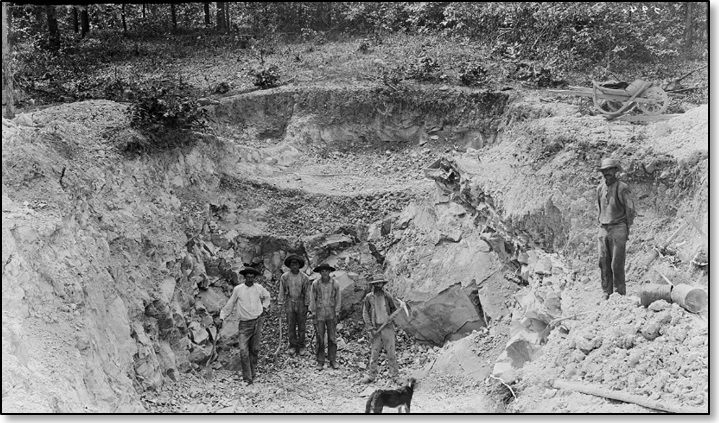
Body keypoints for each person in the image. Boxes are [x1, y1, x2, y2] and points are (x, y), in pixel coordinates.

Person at [218, 265, 271, 384]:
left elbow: (267, 297)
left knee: (255, 349)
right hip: (244, 324)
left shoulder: (259, 288)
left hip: (257, 322)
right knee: (243, 350)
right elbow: (230, 304)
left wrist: (264, 307)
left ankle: (252, 373)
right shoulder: (238, 289)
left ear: (255, 278)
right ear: (244, 277)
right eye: (248, 277)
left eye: (252, 277)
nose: (250, 279)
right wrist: (222, 316)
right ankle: (247, 377)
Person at [596, 158, 636, 300]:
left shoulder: (622, 187)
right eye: (604, 171)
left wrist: (626, 228)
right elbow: (600, 208)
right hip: (603, 228)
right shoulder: (600, 188)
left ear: (615, 171)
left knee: (616, 264)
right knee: (603, 262)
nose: (607, 173)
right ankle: (606, 292)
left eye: (610, 170)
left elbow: (630, 210)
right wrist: (601, 226)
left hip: (618, 228)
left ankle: (619, 294)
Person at [360, 277, 400, 384]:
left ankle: (395, 376)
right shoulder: (369, 297)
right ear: (373, 285)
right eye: (376, 284)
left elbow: (394, 310)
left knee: (391, 352)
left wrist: (391, 317)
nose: (379, 286)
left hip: (387, 328)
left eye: (380, 284)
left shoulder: (387, 296)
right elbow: (365, 313)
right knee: (374, 352)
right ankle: (371, 376)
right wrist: (370, 328)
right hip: (375, 328)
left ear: (383, 284)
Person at [308, 263, 341, 370]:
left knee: (332, 338)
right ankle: (320, 361)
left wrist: (337, 313)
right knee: (320, 338)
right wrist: (313, 313)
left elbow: (338, 299)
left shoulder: (335, 283)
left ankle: (332, 360)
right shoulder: (315, 284)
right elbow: (312, 299)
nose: (324, 273)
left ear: (329, 272)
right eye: (322, 271)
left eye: (326, 271)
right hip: (319, 315)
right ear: (320, 273)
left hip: (331, 315)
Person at [278, 254, 311, 356]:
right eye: (292, 264)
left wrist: (307, 305)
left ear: (299, 265)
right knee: (291, 325)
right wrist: (280, 303)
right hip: (289, 302)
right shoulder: (285, 277)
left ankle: (301, 346)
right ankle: (292, 345)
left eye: (296, 264)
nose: (294, 266)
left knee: (302, 326)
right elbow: (281, 291)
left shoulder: (304, 277)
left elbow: (307, 292)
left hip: (301, 302)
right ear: (289, 265)